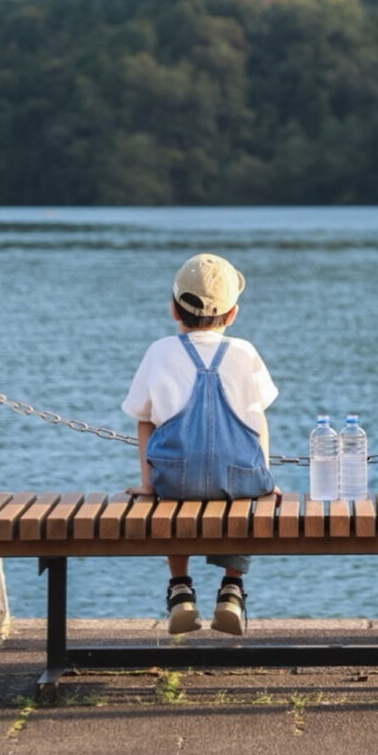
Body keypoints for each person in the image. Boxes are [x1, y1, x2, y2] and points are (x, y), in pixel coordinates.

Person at [122, 252, 278, 636]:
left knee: (171, 498)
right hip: (240, 478)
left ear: (174, 309)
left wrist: (147, 482)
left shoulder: (160, 351)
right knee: (246, 497)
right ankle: (232, 588)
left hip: (175, 481)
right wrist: (267, 478)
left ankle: (180, 589)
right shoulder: (245, 353)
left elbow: (143, 417)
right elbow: (257, 420)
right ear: (233, 314)